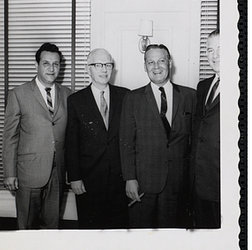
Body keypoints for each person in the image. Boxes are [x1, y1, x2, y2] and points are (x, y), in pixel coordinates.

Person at [119, 44, 196, 228]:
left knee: (172, 238)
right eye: (150, 62)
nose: (156, 67)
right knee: (141, 237)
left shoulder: (190, 96)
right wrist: (130, 179)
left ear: (170, 63)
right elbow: (126, 143)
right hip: (144, 184)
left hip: (178, 184)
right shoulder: (132, 98)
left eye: (161, 61)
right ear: (145, 66)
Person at [2, 43, 72, 229]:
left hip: (57, 173)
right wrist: (10, 173)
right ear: (36, 65)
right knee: (27, 227)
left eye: (56, 64)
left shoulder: (68, 95)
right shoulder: (18, 94)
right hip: (28, 173)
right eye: (46, 63)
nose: (51, 69)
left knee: (52, 226)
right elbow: (10, 137)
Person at [65, 48, 129, 229]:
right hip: (89, 181)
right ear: (88, 69)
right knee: (90, 232)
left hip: (119, 181)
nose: (104, 70)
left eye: (108, 65)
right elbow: (71, 143)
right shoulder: (75, 101)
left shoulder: (125, 96)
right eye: (98, 65)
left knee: (119, 233)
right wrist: (75, 178)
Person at [190, 29, 220, 228]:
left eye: (220, 49)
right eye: (210, 50)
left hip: (224, 185)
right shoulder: (203, 86)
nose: (214, 56)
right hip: (198, 183)